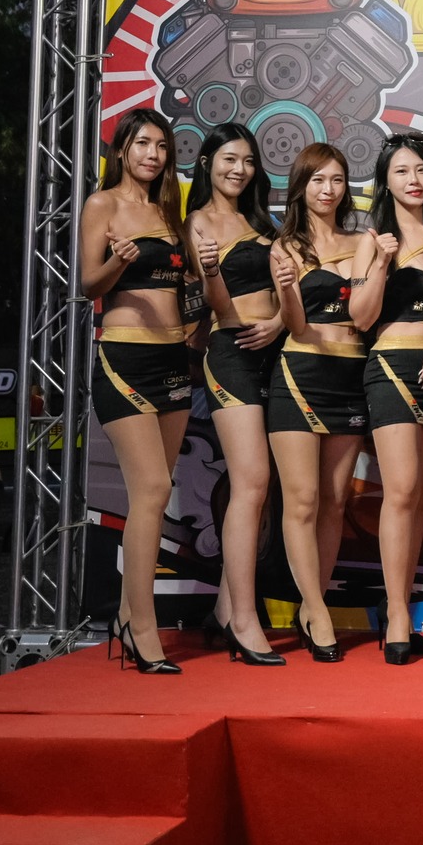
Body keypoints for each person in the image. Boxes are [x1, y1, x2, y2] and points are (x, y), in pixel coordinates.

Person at [80, 108, 192, 673]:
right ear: (122, 149)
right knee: (151, 489)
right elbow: (87, 285)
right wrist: (117, 264)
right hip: (124, 359)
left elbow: (181, 290)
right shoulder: (102, 205)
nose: (153, 154)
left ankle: (127, 617)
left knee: (157, 493)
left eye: (162, 145)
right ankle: (143, 628)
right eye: (143, 143)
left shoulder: (169, 213)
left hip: (173, 361)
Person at [351, 133, 423, 665]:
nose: (413, 180)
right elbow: (361, 318)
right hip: (393, 369)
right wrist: (380, 263)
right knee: (399, 492)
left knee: (420, 494)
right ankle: (397, 615)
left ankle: (401, 603)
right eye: (401, 171)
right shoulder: (374, 239)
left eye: (420, 170)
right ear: (385, 181)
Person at [186, 122, 286, 666]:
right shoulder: (198, 223)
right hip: (231, 355)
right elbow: (215, 306)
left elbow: (287, 292)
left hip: (277, 351)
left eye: (248, 161)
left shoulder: (262, 222)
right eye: (229, 159)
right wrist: (210, 273)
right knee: (251, 481)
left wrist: (278, 324)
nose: (239, 169)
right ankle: (245, 620)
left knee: (263, 487)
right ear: (207, 162)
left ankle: (227, 608)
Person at [265, 143, 367, 663]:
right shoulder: (284, 248)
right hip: (300, 373)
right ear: (301, 187)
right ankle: (318, 611)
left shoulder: (363, 242)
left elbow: (368, 314)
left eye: (337, 180)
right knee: (301, 501)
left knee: (334, 501)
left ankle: (313, 605)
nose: (328, 190)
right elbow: (296, 324)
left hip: (352, 375)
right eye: (318, 180)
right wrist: (287, 290)